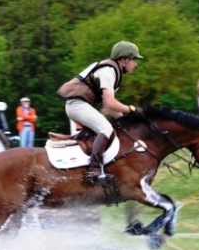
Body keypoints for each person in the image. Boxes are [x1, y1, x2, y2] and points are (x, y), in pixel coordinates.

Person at [57, 40, 144, 183]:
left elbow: (108, 106)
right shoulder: (109, 71)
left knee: (111, 129)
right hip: (76, 104)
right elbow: (110, 103)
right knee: (106, 128)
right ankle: (93, 169)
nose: (136, 64)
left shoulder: (113, 71)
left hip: (79, 105)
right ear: (123, 60)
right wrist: (132, 109)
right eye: (134, 59)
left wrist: (123, 120)